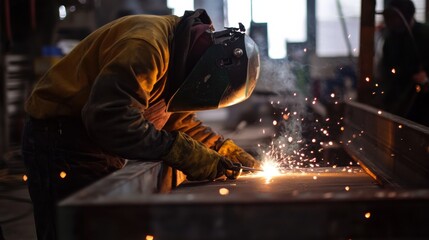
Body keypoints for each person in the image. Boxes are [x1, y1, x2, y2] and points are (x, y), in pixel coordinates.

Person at [21, 9, 261, 240]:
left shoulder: (183, 56)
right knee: (76, 231)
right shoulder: (148, 47)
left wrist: (220, 148)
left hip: (96, 143)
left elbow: (178, 123)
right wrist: (178, 151)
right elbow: (110, 118)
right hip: (61, 137)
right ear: (211, 65)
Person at [378, 0, 429, 126]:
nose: (389, 22)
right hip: (400, 100)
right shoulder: (390, 41)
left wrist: (427, 77)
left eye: (393, 18)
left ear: (407, 17)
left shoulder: (425, 35)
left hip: (423, 103)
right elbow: (386, 72)